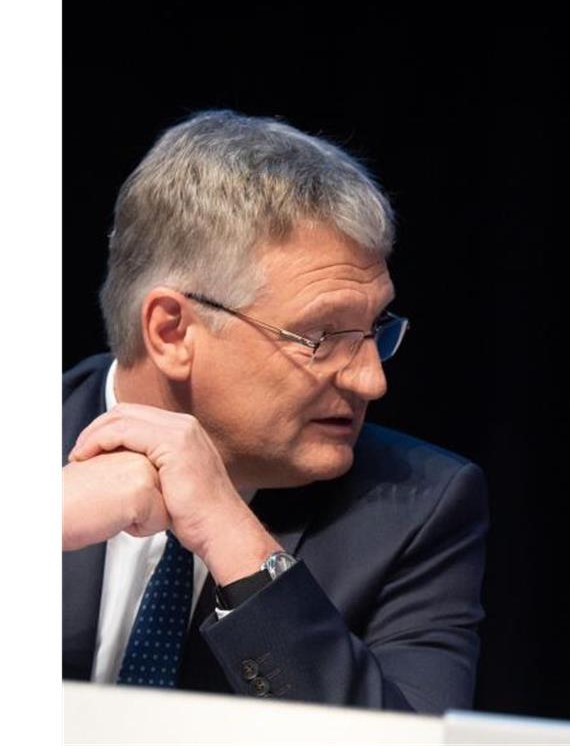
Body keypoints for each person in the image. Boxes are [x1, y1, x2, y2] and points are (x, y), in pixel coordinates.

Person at [62, 110, 488, 714]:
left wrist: (230, 531)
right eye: (321, 335)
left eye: (374, 328)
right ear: (172, 331)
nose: (372, 378)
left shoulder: (417, 507)